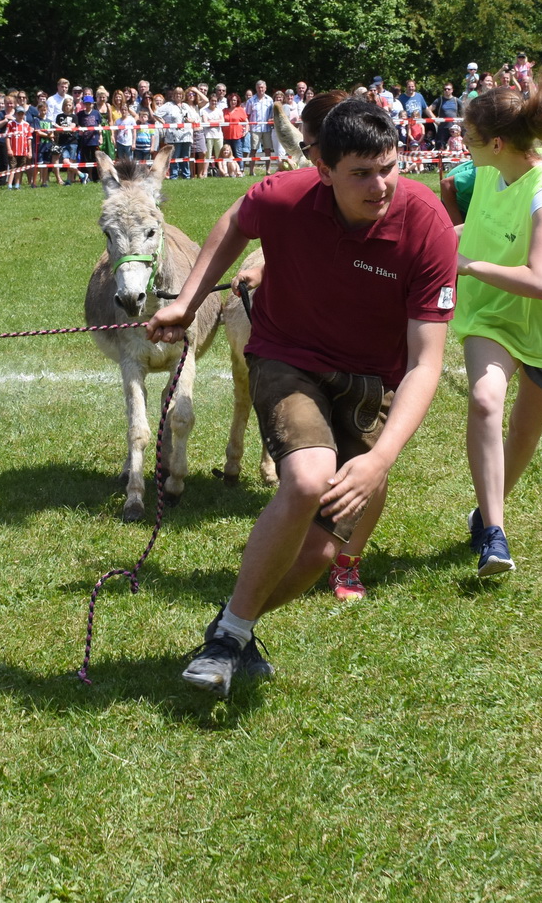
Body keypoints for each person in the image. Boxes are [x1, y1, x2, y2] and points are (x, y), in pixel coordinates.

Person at [147, 99, 457, 697]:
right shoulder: (287, 196)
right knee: (309, 477)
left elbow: (426, 363)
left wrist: (378, 460)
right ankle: (227, 638)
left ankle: (233, 629)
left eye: (389, 168)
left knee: (317, 553)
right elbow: (238, 218)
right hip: (288, 357)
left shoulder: (427, 224)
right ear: (323, 168)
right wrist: (189, 300)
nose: (380, 186)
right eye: (360, 174)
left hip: (370, 381)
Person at [455, 75, 542, 578]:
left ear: (496, 143)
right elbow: (475, 232)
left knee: (524, 428)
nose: (462, 142)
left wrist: (467, 265)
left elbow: (541, 280)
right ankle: (494, 532)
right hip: (492, 313)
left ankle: (484, 512)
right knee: (485, 400)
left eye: (469, 135)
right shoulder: (494, 175)